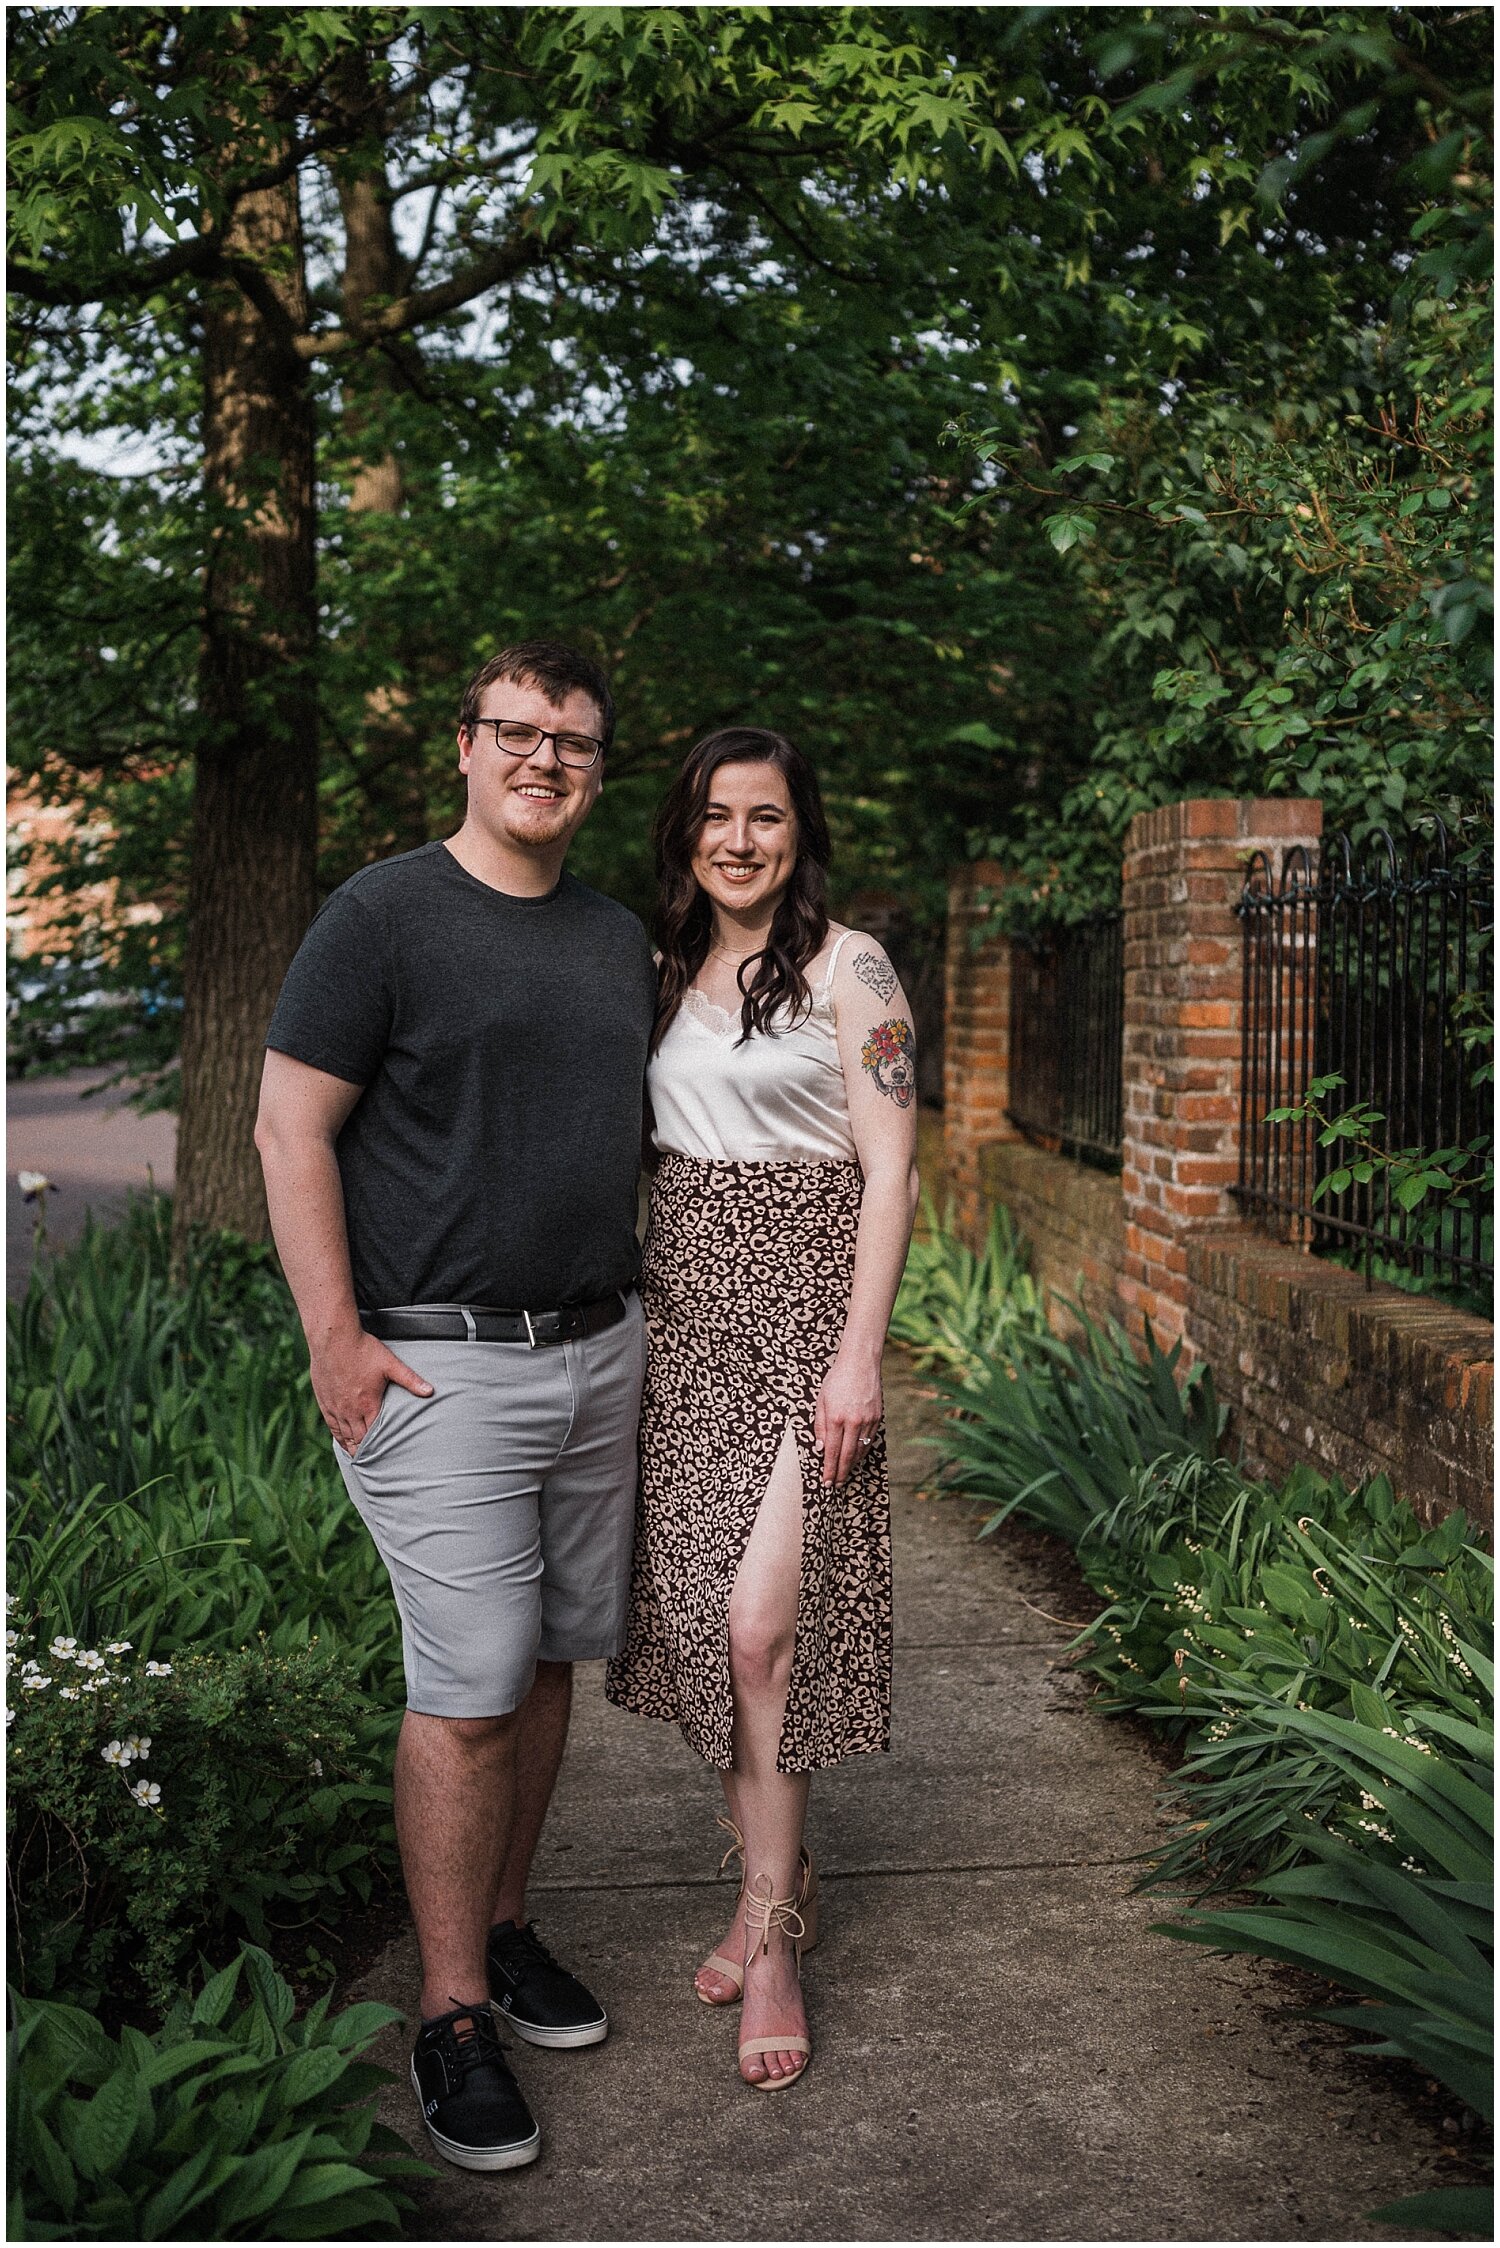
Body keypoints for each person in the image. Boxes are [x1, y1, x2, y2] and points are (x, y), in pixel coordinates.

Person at [255, 642, 656, 2172]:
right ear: (466, 750)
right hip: (438, 1362)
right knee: (472, 1686)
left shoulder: (618, 937)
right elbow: (291, 1128)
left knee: (551, 1662)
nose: (545, 759)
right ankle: (447, 2013)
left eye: (574, 741)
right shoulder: (383, 916)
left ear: (597, 770)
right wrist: (334, 1341)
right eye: (518, 733)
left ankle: (504, 1928)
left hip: (596, 1349)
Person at [606, 726, 920, 2091]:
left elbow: (894, 1175)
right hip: (682, 1333)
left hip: (803, 1330)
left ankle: (779, 1936)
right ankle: (757, 1884)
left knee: (760, 1631)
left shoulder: (855, 967)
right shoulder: (656, 969)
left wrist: (859, 1356)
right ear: (686, 833)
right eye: (718, 817)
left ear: (804, 830)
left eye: (769, 817)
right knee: (699, 1637)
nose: (741, 840)